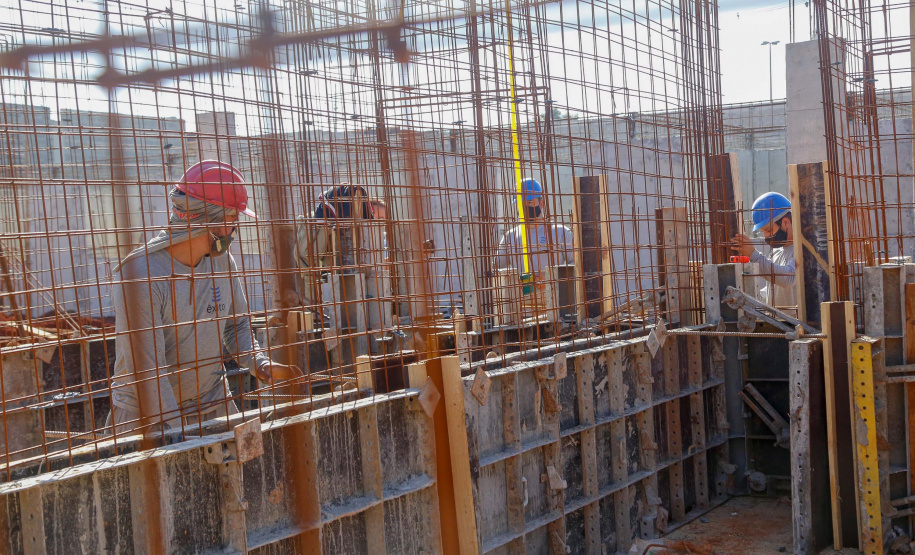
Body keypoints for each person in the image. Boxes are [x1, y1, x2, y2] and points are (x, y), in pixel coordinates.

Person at [108, 160, 302, 435]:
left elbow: (237, 326)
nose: (235, 229)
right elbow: (149, 373)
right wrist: (181, 437)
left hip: (211, 402)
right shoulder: (140, 276)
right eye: (233, 219)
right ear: (210, 220)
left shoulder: (221, 261)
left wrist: (259, 363)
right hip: (147, 417)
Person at [731, 191, 797, 309]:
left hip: (798, 325)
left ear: (785, 222)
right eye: (763, 232)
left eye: (769, 230)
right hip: (779, 323)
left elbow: (788, 279)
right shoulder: (777, 251)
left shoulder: (803, 250)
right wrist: (747, 293)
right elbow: (771, 292)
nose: (766, 237)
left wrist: (754, 255)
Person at [496, 178, 574, 275]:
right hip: (522, 290)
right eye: (521, 205)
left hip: (552, 289)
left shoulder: (561, 233)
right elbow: (498, 269)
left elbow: (575, 264)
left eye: (529, 203)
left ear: (541, 203)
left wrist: (549, 278)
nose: (525, 209)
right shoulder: (509, 237)